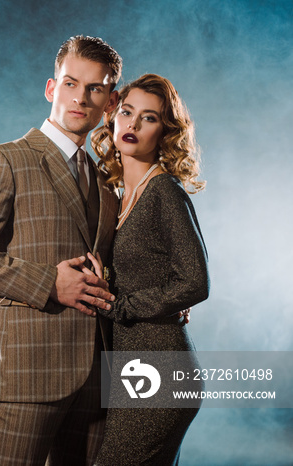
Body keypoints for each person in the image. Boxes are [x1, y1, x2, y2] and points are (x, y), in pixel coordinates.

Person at [0, 36, 122, 465]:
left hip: (99, 380)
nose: (80, 97)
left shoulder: (108, 183)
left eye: (95, 89)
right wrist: (48, 283)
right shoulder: (6, 159)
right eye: (71, 83)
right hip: (27, 375)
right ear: (51, 88)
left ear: (109, 102)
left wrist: (167, 299)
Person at [86, 73, 209, 465]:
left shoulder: (164, 192)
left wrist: (120, 306)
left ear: (165, 131)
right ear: (114, 118)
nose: (134, 124)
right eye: (127, 112)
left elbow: (195, 282)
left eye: (149, 117)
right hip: (134, 369)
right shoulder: (119, 196)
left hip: (161, 369)